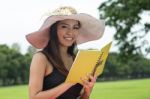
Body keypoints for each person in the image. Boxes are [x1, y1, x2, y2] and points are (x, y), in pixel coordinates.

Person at [26, 6, 105, 99]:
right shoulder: (41, 58)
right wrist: (68, 83)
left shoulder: (76, 59)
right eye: (64, 26)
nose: (70, 32)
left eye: (75, 27)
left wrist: (87, 92)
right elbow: (33, 97)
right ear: (54, 30)